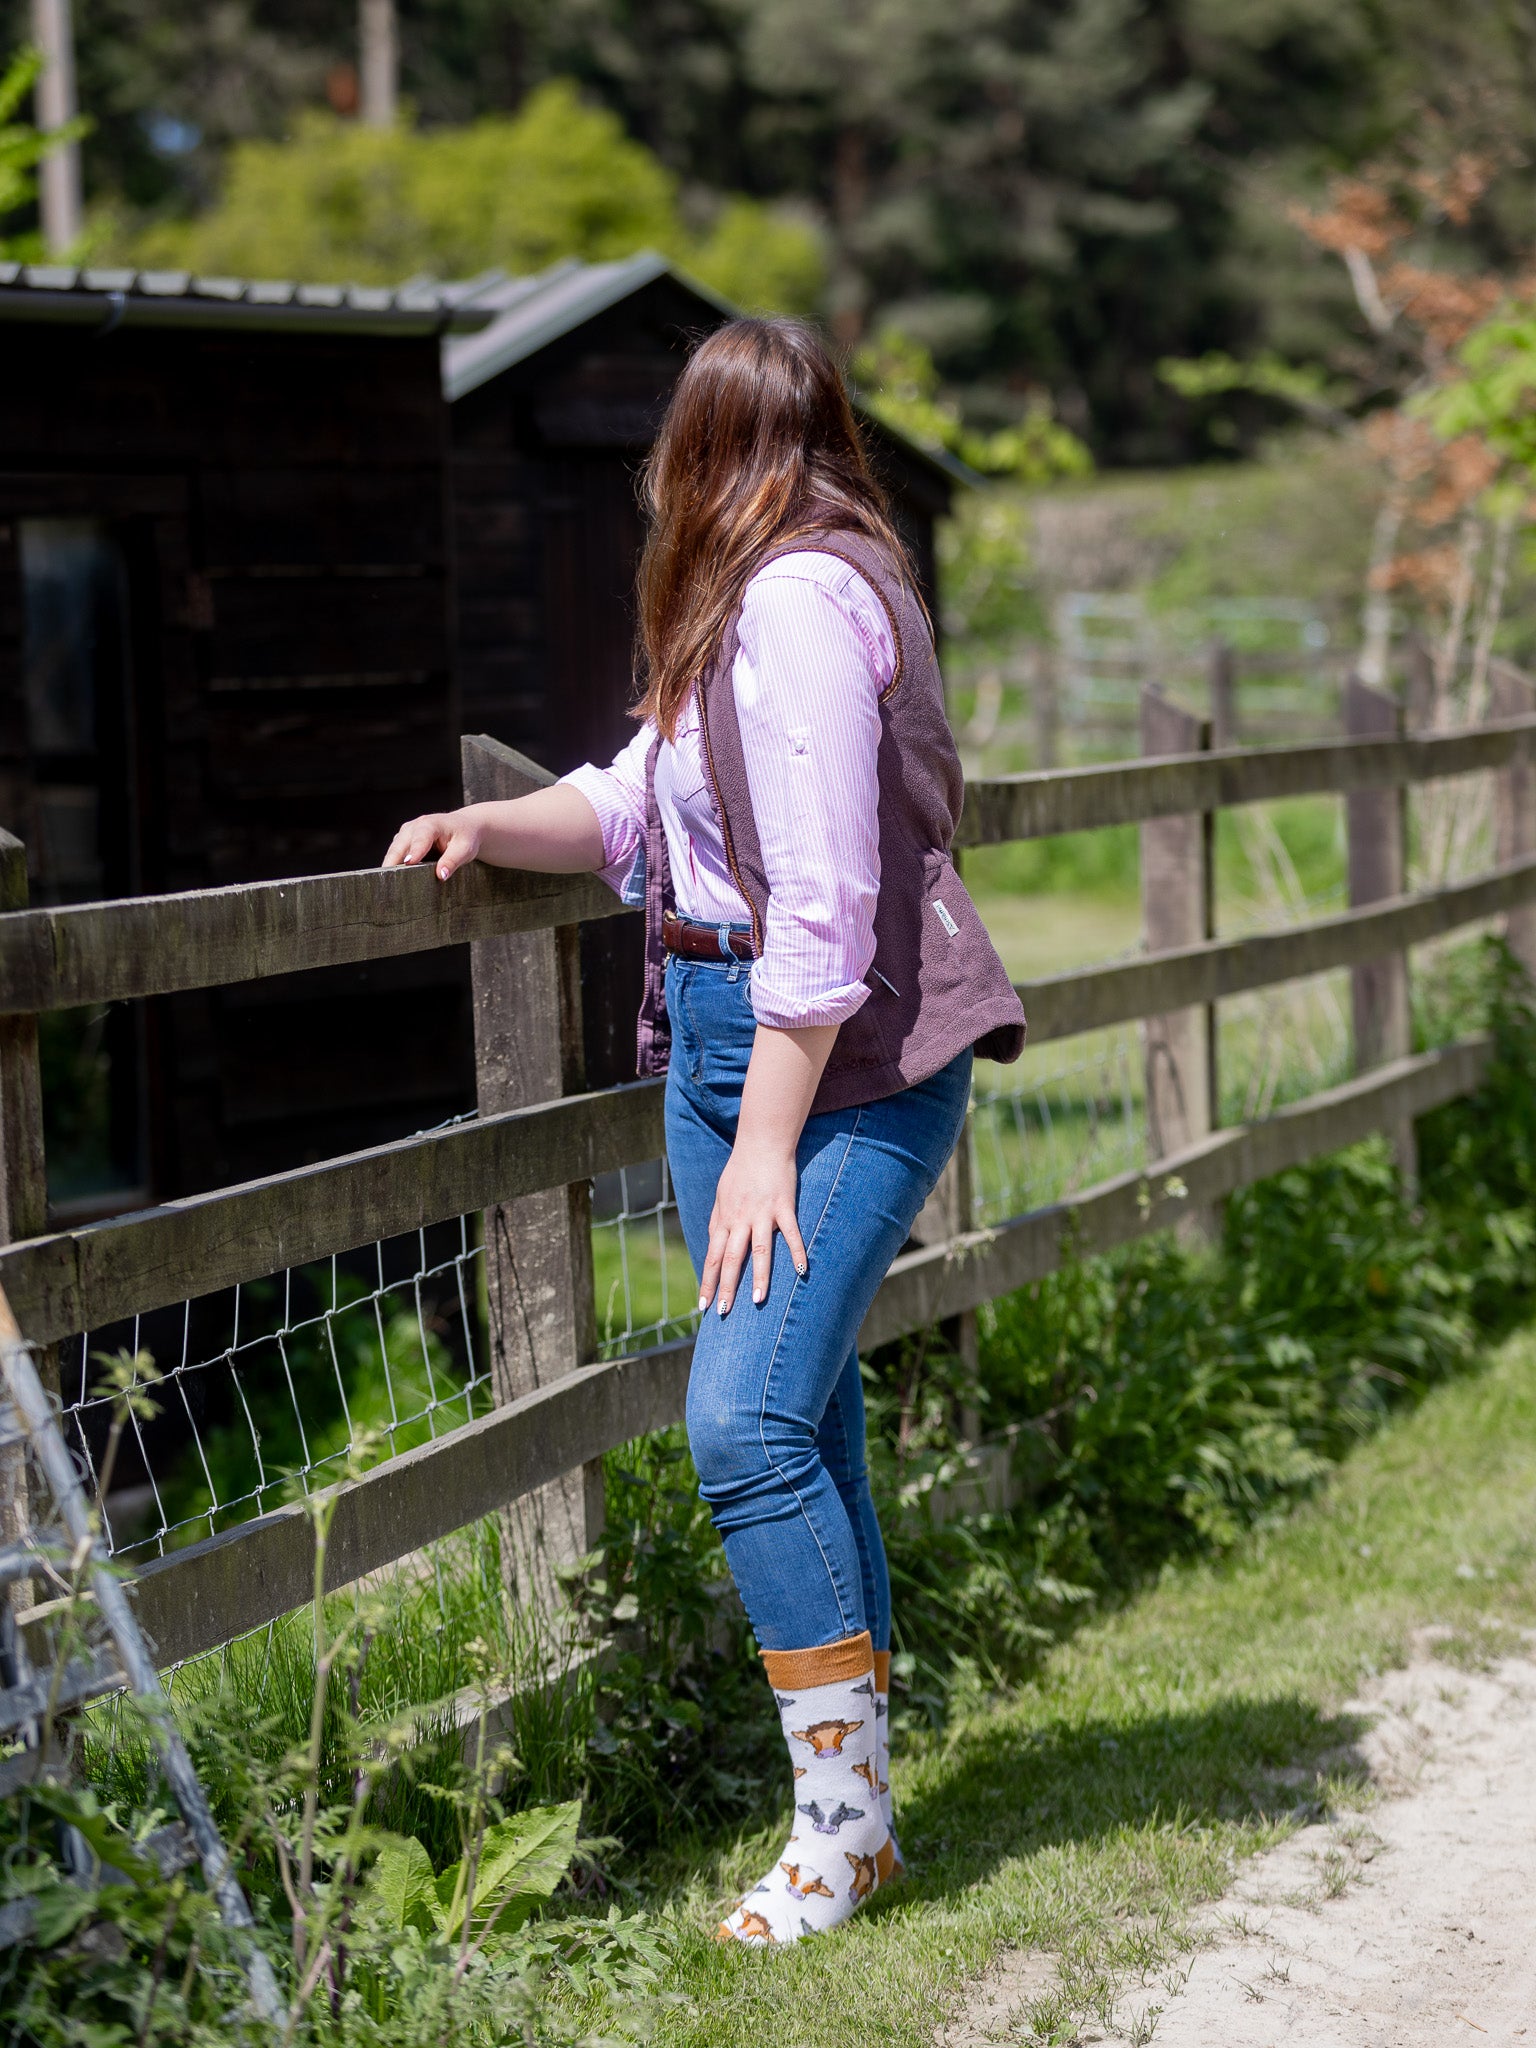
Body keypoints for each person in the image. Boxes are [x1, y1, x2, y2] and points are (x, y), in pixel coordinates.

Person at [384, 317, 1025, 1944]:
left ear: (698, 455)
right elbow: (630, 806)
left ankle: (838, 1833)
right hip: (723, 1042)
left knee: (743, 1430)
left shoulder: (798, 602)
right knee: (809, 1424)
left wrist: (761, 1143)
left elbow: (823, 904)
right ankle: (861, 1821)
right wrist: (487, 821)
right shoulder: (750, 602)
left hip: (835, 1054)